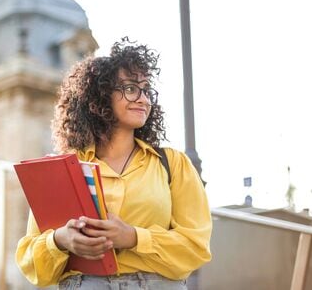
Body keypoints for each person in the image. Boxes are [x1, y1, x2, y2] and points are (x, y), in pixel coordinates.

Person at [16, 38, 212, 289]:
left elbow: (196, 247)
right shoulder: (63, 170)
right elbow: (31, 263)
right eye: (131, 88)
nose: (143, 99)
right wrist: (60, 240)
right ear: (100, 96)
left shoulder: (172, 164)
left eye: (146, 89)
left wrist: (133, 237)